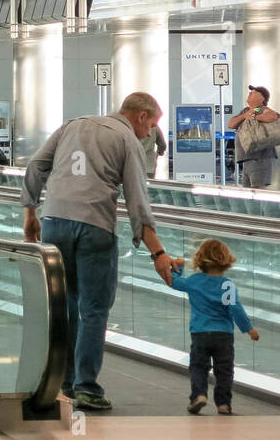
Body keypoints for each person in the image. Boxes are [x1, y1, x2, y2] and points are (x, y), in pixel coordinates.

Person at [22, 91, 175, 412]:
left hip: (53, 222)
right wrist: (158, 252)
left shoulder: (71, 126)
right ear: (141, 116)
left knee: (66, 304)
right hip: (94, 226)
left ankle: (63, 382)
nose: (150, 134)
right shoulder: (126, 138)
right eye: (152, 126)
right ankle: (87, 387)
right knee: (93, 308)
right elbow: (137, 202)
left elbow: (36, 166)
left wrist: (30, 215)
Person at [171, 239, 259, 415]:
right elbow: (235, 309)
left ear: (200, 260)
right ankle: (223, 404)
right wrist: (248, 329)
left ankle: (199, 395)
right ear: (226, 261)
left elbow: (175, 282)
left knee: (198, 366)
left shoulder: (194, 281)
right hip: (224, 335)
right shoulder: (228, 285)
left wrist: (178, 267)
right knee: (224, 370)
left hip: (200, 332)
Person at [228, 84, 277, 189]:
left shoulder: (260, 109)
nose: (251, 92)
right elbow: (231, 124)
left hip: (259, 159)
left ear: (262, 98)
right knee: (249, 194)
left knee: (258, 192)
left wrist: (254, 116)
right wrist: (245, 116)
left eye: (255, 91)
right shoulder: (246, 111)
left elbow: (272, 116)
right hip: (247, 160)